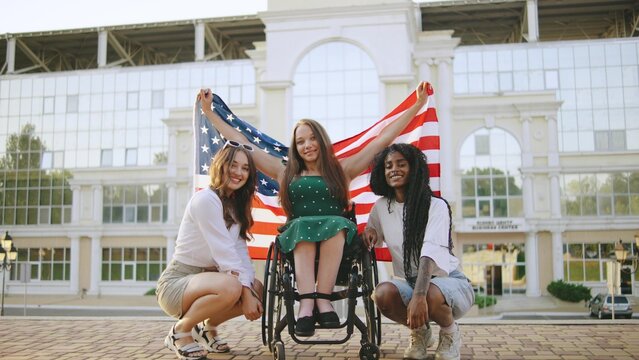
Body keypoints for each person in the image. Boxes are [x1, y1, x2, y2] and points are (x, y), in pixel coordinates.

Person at [198, 82, 429, 337]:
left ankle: (323, 299)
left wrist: (417, 105)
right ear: (295, 147)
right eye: (300, 141)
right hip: (297, 235)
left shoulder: (343, 169)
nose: (307, 145)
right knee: (303, 226)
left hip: (339, 236)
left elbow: (382, 140)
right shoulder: (283, 171)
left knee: (333, 223)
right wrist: (209, 113)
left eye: (312, 138)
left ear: (321, 140)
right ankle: (307, 303)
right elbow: (241, 141)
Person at [362, 143, 474, 360]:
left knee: (430, 293)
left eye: (401, 164)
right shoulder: (381, 207)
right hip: (410, 282)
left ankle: (450, 333)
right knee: (382, 294)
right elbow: (373, 231)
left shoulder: (436, 206)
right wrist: (369, 232)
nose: (394, 169)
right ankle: (420, 333)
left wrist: (419, 295)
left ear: (414, 169)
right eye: (388, 166)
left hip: (448, 282)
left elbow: (429, 252)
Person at [156, 143, 263, 360]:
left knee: (257, 289)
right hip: (177, 283)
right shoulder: (206, 200)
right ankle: (180, 331)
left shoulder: (235, 206)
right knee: (233, 286)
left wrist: (250, 291)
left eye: (245, 168)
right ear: (220, 165)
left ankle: (206, 329)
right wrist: (244, 291)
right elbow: (224, 253)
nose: (238, 172)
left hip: (207, 280)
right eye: (233, 165)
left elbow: (240, 252)